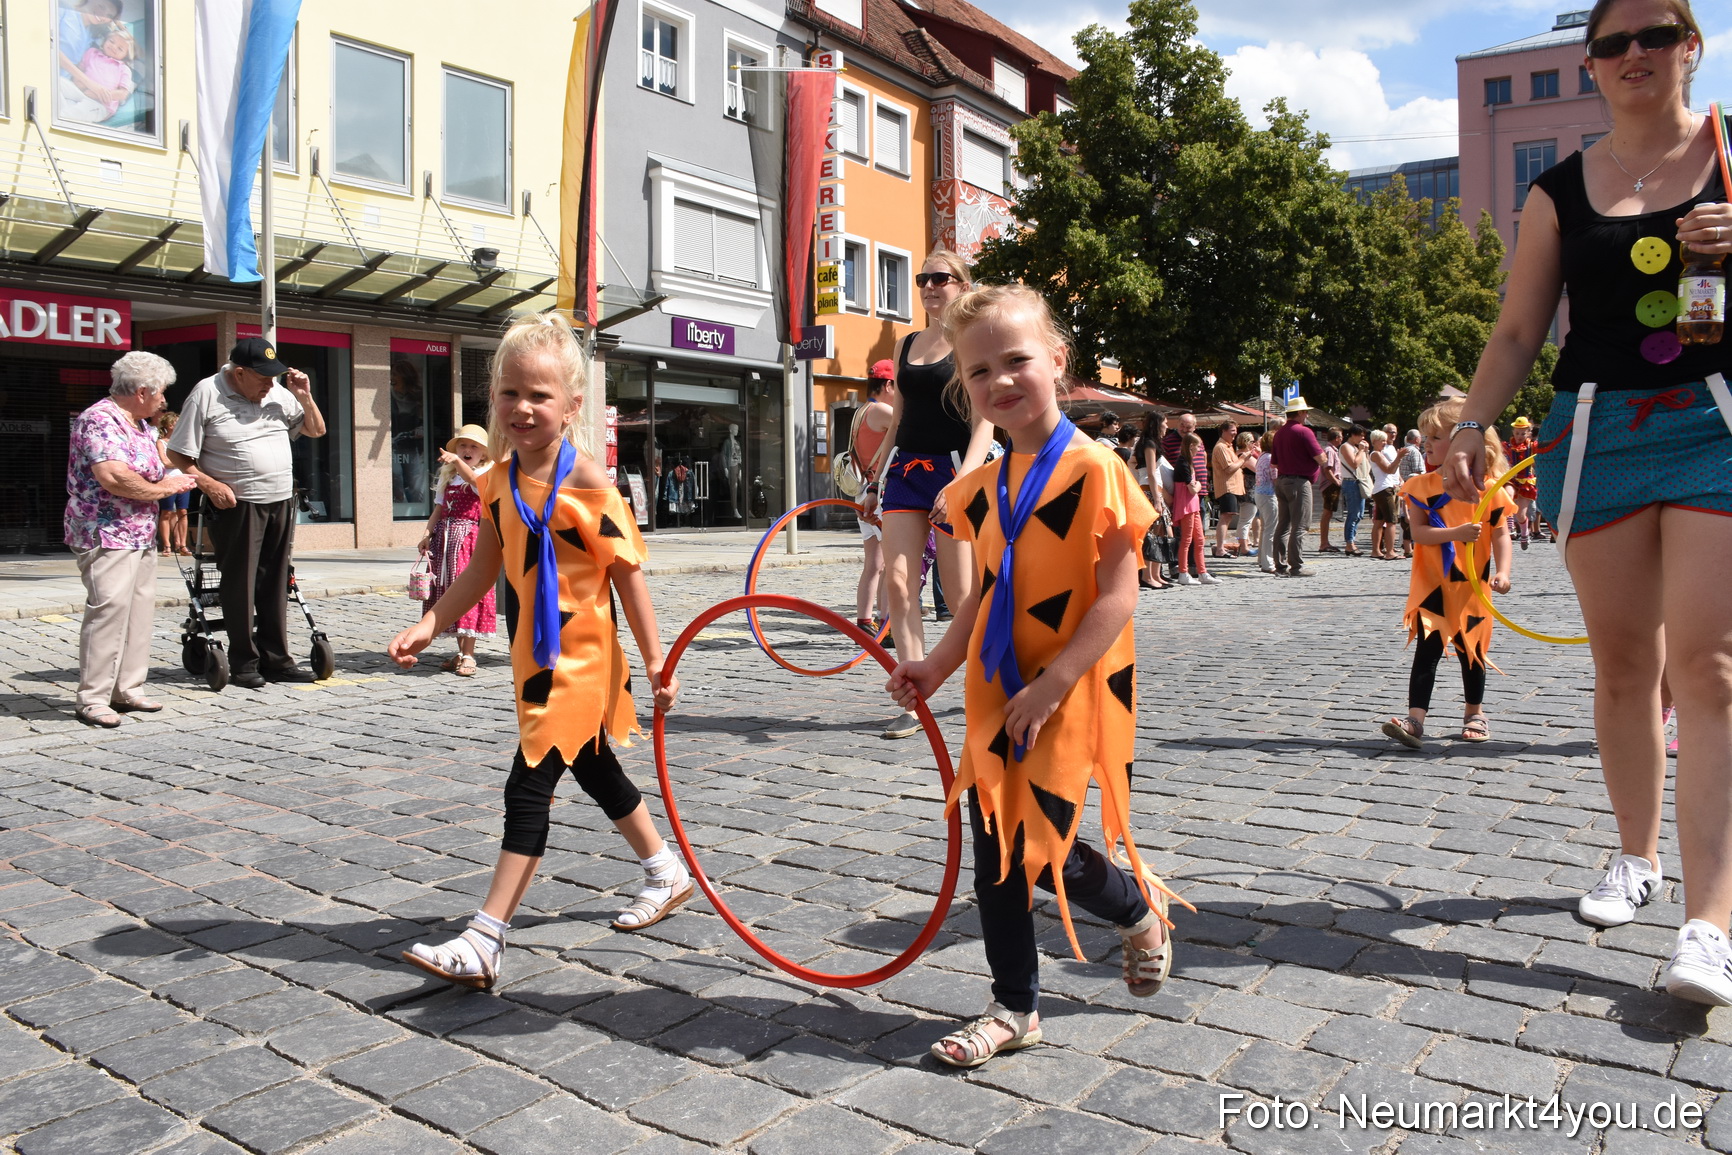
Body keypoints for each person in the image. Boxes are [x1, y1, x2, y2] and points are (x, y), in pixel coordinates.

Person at [1440, 0, 1731, 1006]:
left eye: (1656, 35)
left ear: (1691, 47)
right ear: (1591, 65)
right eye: (1613, 43)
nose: (1634, 55)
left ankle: (1709, 923)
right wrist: (1475, 424)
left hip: (1714, 422)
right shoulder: (1557, 188)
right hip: (1595, 429)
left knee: (1710, 669)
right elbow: (1519, 329)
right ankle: (1634, 858)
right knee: (1624, 668)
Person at [886, 283, 1183, 1068]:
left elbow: (1120, 594)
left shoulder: (1096, 469)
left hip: (1070, 687)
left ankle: (1134, 908)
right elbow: (979, 595)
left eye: (1017, 360)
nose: (1001, 381)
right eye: (980, 372)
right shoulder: (981, 490)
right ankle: (1014, 1005)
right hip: (997, 686)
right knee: (995, 845)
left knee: (1040, 842)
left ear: (1057, 360)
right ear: (967, 391)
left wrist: (1052, 685)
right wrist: (934, 665)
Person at [388, 314, 690, 990]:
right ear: (493, 397)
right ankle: (665, 870)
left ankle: (486, 935)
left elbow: (627, 573)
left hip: (581, 658)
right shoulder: (495, 479)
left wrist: (656, 661)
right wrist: (432, 622)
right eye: (509, 393)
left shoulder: (586, 480)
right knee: (591, 764)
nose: (522, 408)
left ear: (571, 405)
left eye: (540, 395)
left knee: (528, 783)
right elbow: (481, 569)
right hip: (534, 657)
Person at [862, 249, 994, 740]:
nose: (929, 286)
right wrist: (875, 479)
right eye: (922, 278)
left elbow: (985, 421)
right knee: (897, 582)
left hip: (955, 470)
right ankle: (915, 695)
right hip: (905, 472)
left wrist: (964, 481)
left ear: (962, 285)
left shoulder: (972, 342)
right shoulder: (906, 344)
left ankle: (986, 678)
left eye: (940, 278)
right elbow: (897, 419)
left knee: (962, 594)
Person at [166, 338, 327, 689]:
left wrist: (304, 395)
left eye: (274, 376)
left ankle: (277, 660)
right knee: (240, 583)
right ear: (239, 373)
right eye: (263, 377)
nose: (270, 384)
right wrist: (208, 484)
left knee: (275, 580)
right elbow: (178, 455)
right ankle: (243, 662)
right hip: (236, 504)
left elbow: (316, 430)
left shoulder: (279, 393)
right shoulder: (207, 393)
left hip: (281, 499)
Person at [64, 352, 199, 727]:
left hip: (139, 532)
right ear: (142, 391)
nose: (164, 401)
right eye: (161, 394)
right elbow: (113, 476)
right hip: (105, 532)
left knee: (138, 611)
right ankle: (92, 697)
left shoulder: (140, 424)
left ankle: (128, 688)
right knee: (108, 610)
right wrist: (164, 489)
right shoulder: (99, 420)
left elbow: (157, 465)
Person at [1382, 402, 1514, 749]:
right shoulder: (1420, 486)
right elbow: (1420, 533)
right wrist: (1455, 533)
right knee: (1426, 652)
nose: (1426, 443)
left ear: (1464, 442)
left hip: (1474, 588)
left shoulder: (1490, 488)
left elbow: (1501, 532)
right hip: (1432, 588)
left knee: (1474, 652)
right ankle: (1415, 719)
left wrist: (1503, 572)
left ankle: (1475, 713)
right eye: (1425, 436)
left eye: (1435, 437)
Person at [417, 425, 497, 677]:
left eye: (473, 446)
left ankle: (470, 654)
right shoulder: (450, 476)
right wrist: (427, 534)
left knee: (467, 592)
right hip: (446, 538)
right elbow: (439, 510)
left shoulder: (484, 473)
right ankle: (461, 652)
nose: (467, 450)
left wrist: (457, 462)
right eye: (462, 445)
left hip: (469, 539)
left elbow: (475, 482)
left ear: (484, 453)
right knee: (448, 590)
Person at [854, 364, 895, 638]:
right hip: (881, 492)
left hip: (863, 491)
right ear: (889, 386)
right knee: (893, 564)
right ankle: (887, 626)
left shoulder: (860, 412)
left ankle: (864, 621)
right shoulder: (883, 411)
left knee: (874, 564)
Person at [1271, 397, 1330, 576]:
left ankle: (1280, 566)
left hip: (1282, 480)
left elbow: (1274, 463)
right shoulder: (1304, 432)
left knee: (1283, 525)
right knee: (1300, 525)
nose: (1307, 415)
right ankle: (1296, 567)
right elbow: (1321, 459)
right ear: (1301, 413)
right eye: (1305, 411)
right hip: (1299, 482)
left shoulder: (1279, 433)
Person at [1171, 430, 1217, 586]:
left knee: (1199, 540)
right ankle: (1183, 572)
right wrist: (1198, 485)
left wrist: (1196, 486)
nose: (1200, 449)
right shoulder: (1183, 463)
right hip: (1187, 505)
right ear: (1191, 446)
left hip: (1193, 505)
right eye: (1198, 446)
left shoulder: (1187, 462)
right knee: (1187, 540)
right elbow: (1192, 489)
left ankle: (1202, 572)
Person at [1138, 412, 1174, 589]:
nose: (1167, 426)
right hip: (1151, 492)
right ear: (1157, 424)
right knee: (1153, 534)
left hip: (1154, 491)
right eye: (1165, 423)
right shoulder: (1149, 443)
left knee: (1160, 533)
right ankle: (1148, 576)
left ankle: (1155, 575)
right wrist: (1158, 500)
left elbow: (1131, 463)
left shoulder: (1149, 442)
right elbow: (1151, 473)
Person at [1210, 420, 1248, 557]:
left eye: (1235, 430)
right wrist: (1243, 459)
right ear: (1224, 431)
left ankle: (1221, 547)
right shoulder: (1220, 447)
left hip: (1232, 487)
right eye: (1232, 430)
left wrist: (1242, 457)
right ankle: (1220, 548)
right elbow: (1229, 468)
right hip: (1227, 487)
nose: (1235, 433)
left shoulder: (1228, 446)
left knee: (1228, 517)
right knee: (1225, 517)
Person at [155, 411, 190, 556]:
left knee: (182, 511)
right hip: (168, 480)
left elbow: (190, 460)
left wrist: (177, 463)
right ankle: (167, 545)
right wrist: (180, 463)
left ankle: (182, 544)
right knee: (167, 512)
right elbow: (164, 462)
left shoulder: (183, 442)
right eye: (176, 422)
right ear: (169, 425)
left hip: (183, 480)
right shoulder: (161, 442)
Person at [1503, 416, 1540, 548]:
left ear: (1528, 433)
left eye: (1523, 433)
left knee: (1521, 514)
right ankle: (1510, 527)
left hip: (1526, 482)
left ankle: (1525, 534)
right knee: (1507, 496)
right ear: (1513, 432)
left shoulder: (1532, 446)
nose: (1519, 436)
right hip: (1511, 479)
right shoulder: (1507, 446)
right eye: (1517, 433)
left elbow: (1538, 461)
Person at [1368, 428, 1402, 559]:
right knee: (1391, 521)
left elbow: (1392, 470)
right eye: (1382, 440)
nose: (1384, 442)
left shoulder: (1379, 454)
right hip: (1384, 489)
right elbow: (1389, 469)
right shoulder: (1376, 454)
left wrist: (1397, 459)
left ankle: (1376, 550)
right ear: (1375, 441)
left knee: (1379, 521)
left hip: (1382, 488)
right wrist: (1398, 457)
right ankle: (1390, 552)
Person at [1337, 425, 1371, 557]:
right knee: (1353, 514)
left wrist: (1365, 451)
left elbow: (1366, 465)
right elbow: (1354, 463)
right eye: (1360, 435)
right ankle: (1349, 543)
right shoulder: (1346, 447)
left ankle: (1352, 541)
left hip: (1359, 481)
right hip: (1350, 483)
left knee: (1360, 514)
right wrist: (1361, 451)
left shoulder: (1357, 448)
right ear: (1353, 434)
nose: (1362, 438)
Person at [1252, 431, 1280, 573]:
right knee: (1270, 530)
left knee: (1266, 528)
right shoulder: (1271, 458)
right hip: (1269, 495)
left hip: (1260, 493)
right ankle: (1268, 562)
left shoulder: (1262, 456)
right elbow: (1275, 478)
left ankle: (1263, 560)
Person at [1397, 428, 1426, 558]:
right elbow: (1418, 471)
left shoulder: (1403, 450)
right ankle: (1411, 547)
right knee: (1412, 516)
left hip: (1403, 486)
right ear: (1416, 439)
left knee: (1405, 516)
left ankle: (1407, 546)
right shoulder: (1414, 452)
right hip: (1413, 487)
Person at [1315, 427, 1345, 552]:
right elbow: (1327, 469)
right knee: (1327, 513)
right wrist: (1336, 481)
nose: (1342, 438)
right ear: (1337, 438)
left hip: (1331, 484)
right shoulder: (1330, 451)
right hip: (1330, 485)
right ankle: (1324, 543)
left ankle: (1325, 542)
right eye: (1341, 436)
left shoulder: (1332, 450)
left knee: (1329, 513)